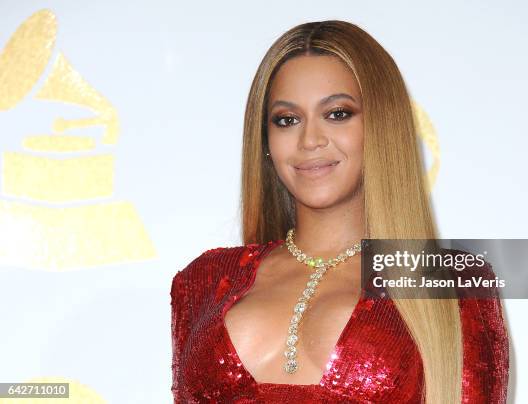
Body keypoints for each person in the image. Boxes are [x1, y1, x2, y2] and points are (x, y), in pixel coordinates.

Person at [170, 20, 509, 403]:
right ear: (265, 141)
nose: (310, 140)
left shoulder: (450, 284)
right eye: (287, 120)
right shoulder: (204, 281)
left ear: (381, 126)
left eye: (337, 114)